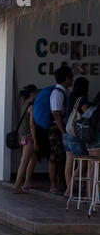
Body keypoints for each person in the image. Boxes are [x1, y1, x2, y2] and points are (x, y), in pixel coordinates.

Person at [63, 77, 91, 197]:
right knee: (82, 163)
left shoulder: (70, 98)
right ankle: (69, 190)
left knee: (69, 162)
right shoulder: (82, 100)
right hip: (76, 134)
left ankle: (68, 188)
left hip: (67, 133)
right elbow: (88, 114)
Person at [48, 66, 73, 194]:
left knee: (61, 157)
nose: (72, 80)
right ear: (67, 78)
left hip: (61, 127)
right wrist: (62, 131)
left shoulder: (64, 92)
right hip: (57, 128)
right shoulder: (58, 93)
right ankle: (53, 185)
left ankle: (61, 183)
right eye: (71, 77)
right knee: (55, 157)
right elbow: (56, 113)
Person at [13, 85, 38, 194]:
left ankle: (27, 182)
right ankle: (17, 185)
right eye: (36, 93)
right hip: (28, 136)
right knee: (24, 161)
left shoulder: (24, 104)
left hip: (22, 136)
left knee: (33, 159)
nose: (37, 95)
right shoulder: (31, 107)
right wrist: (35, 140)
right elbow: (32, 125)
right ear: (32, 94)